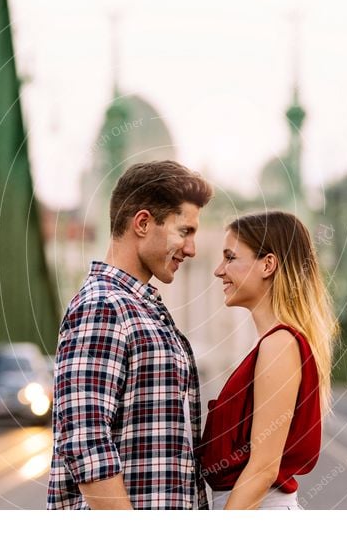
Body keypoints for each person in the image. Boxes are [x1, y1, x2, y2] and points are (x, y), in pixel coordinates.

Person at [46, 160, 214, 510]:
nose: (192, 249)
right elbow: (86, 443)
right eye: (185, 231)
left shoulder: (142, 309)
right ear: (142, 223)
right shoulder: (104, 307)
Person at [196, 211, 338, 510]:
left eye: (230, 257)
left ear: (268, 264)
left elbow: (263, 470)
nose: (219, 270)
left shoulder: (279, 345)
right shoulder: (274, 344)